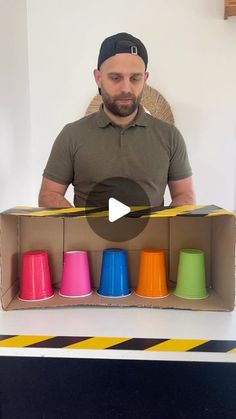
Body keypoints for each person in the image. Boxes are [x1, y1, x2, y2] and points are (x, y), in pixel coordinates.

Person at [38, 32, 195, 208]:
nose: (126, 88)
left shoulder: (170, 136)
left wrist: (170, 229)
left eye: (135, 78)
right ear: (98, 78)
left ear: (145, 79)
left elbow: (184, 194)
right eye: (115, 78)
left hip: (154, 236)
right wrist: (79, 228)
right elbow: (49, 194)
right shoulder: (72, 135)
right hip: (87, 236)